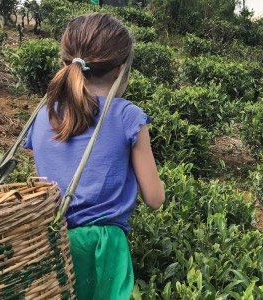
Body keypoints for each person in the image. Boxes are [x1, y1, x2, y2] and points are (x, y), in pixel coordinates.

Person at [23, 13, 165, 300]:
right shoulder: (128, 116)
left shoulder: (42, 115)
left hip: (51, 242)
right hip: (103, 248)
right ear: (120, 69)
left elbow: (46, 184)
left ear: (67, 63)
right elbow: (154, 198)